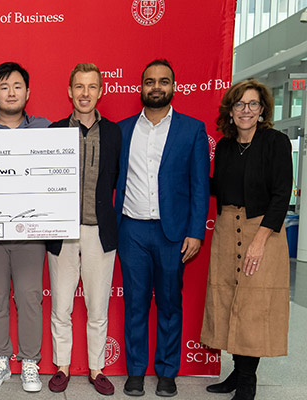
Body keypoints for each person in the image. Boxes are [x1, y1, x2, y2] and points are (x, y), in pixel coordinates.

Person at [115, 59, 210, 397]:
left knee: (170, 304)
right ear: (141, 87)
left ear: (173, 86)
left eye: (163, 81)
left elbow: (200, 186)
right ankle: (136, 371)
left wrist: (196, 231)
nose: (156, 87)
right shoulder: (123, 130)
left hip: (174, 234)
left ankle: (168, 371)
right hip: (132, 231)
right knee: (136, 305)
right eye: (150, 81)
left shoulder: (192, 129)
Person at [201, 79, 292, 400]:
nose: (246, 110)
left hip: (262, 231)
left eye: (253, 104)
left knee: (254, 305)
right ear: (231, 110)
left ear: (263, 109)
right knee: (229, 302)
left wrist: (260, 240)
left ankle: (248, 380)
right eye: (240, 104)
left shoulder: (276, 142)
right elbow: (217, 187)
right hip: (227, 228)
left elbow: (282, 195)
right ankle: (237, 373)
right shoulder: (225, 146)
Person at [46, 63, 121, 395]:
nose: (85, 93)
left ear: (101, 91)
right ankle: (62, 366)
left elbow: (116, 178)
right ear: (69, 91)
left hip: (100, 232)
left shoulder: (116, 133)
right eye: (79, 86)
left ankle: (95, 368)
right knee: (61, 304)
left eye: (92, 87)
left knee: (97, 307)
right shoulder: (55, 131)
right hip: (62, 231)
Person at [0, 62, 50, 393]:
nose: (11, 92)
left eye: (17, 86)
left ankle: (31, 362)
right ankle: (1, 360)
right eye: (4, 86)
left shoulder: (46, 130)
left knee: (29, 297)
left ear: (28, 92)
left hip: (31, 232)